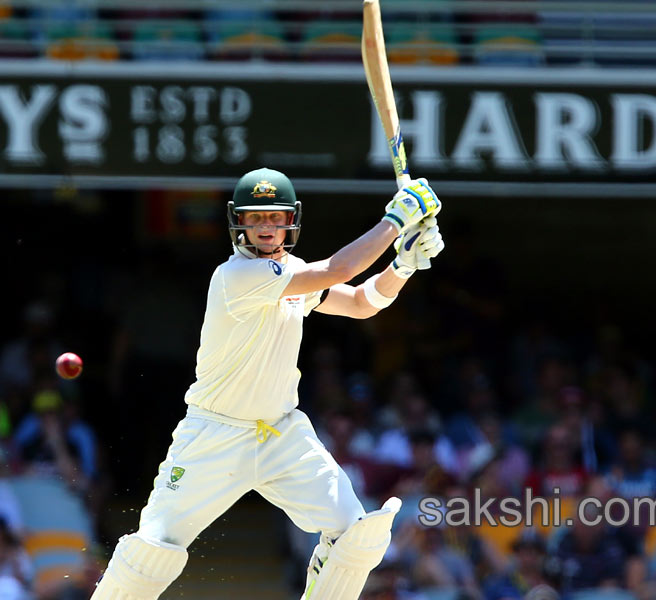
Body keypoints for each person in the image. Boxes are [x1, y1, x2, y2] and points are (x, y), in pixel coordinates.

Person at [90, 167, 444, 600]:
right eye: (255, 217)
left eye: (274, 216)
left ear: (290, 219)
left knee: (356, 535)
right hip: (214, 434)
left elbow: (360, 303)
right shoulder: (236, 276)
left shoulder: (292, 271)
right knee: (152, 548)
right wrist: (395, 221)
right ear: (237, 221)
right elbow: (339, 269)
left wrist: (403, 264)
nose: (265, 227)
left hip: (281, 433)